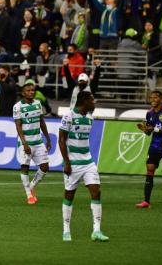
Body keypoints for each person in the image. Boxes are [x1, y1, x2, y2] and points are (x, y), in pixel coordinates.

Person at [59, 91, 108, 242]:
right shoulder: (69, 116)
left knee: (96, 192)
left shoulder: (89, 117)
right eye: (92, 101)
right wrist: (67, 162)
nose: (94, 103)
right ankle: (66, 230)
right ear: (85, 101)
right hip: (72, 164)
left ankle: (97, 231)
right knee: (69, 195)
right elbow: (61, 140)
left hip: (88, 163)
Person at [13, 82, 51, 205]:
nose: (31, 92)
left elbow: (42, 122)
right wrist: (24, 144)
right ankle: (29, 195)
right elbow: (18, 126)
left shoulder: (37, 104)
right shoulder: (17, 107)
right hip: (26, 141)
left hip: (38, 141)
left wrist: (48, 138)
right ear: (23, 93)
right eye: (28, 90)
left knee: (45, 167)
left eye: (32, 90)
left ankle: (31, 186)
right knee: (25, 166)